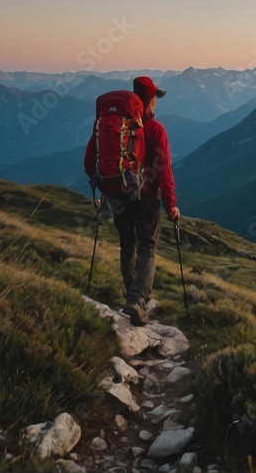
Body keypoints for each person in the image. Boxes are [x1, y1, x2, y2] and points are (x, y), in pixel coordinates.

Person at [85, 76, 180, 325]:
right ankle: (137, 301)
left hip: (118, 195)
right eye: (155, 98)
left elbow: (90, 160)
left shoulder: (114, 127)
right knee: (147, 247)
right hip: (147, 198)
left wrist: (105, 187)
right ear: (149, 99)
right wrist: (171, 205)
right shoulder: (155, 129)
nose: (156, 103)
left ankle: (130, 296)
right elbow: (164, 170)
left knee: (127, 246)